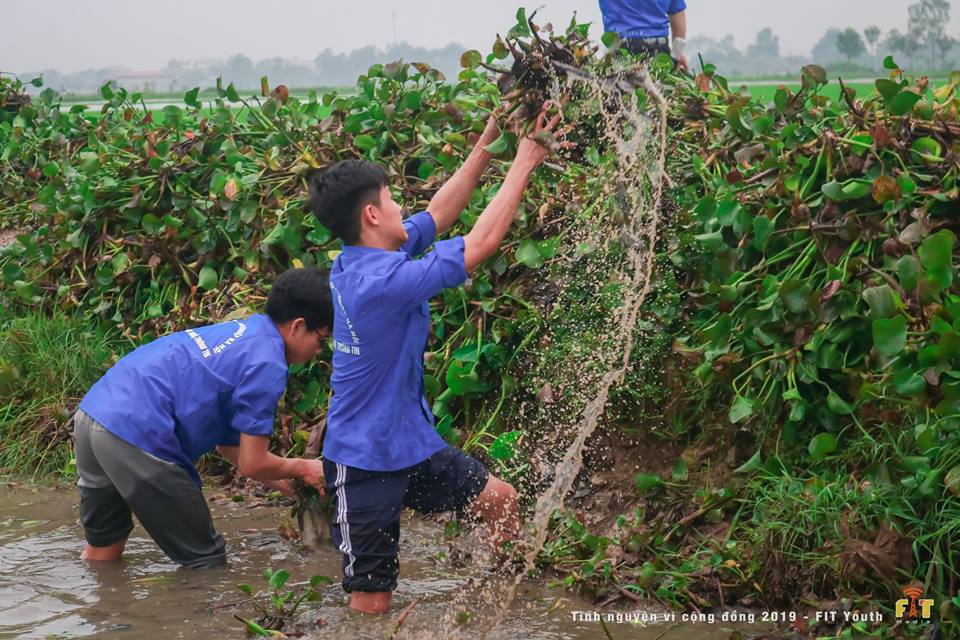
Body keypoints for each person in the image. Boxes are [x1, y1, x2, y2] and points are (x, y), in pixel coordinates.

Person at [307, 107, 565, 614]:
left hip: (412, 445)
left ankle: (487, 609)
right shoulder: (382, 282)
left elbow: (440, 214)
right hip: (362, 461)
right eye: (391, 199)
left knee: (500, 501)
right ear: (372, 216)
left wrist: (489, 145)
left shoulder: (365, 257)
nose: (403, 206)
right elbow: (483, 242)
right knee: (371, 602)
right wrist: (527, 158)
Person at [73, 267, 333, 568]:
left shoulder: (245, 333)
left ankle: (97, 611)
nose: (318, 350)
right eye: (321, 338)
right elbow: (252, 462)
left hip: (93, 415)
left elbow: (229, 446)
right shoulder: (268, 364)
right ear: (298, 326)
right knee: (206, 563)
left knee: (103, 551)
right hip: (138, 433)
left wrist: (285, 480)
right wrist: (303, 467)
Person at [599, 0, 689, 72]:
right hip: (657, 51)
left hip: (620, 49)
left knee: (617, 90)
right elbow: (677, 12)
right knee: (657, 91)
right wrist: (677, 53)